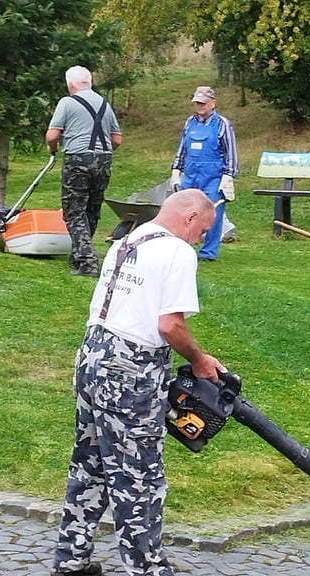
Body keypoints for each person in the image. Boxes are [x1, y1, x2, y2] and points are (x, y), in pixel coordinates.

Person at [51, 188, 226, 576]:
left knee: (90, 464)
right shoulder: (177, 252)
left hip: (92, 357)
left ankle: (71, 559)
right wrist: (198, 360)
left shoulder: (127, 240)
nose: (202, 239)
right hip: (132, 370)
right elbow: (170, 325)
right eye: (204, 231)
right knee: (140, 475)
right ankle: (147, 569)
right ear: (191, 218)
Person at [46, 65, 123, 277]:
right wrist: (102, 153)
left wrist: (52, 149)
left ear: (70, 84)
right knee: (92, 208)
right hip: (104, 159)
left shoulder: (67, 102)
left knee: (73, 210)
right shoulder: (105, 104)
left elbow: (52, 136)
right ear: (89, 82)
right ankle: (78, 254)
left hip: (77, 159)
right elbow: (117, 139)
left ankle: (88, 261)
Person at [169, 85, 239, 261]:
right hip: (191, 175)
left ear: (213, 103)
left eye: (203, 103)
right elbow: (182, 149)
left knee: (213, 213)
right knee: (184, 211)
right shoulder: (189, 122)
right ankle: (183, 246)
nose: (199, 106)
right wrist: (176, 170)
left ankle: (208, 253)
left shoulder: (222, 124)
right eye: (197, 103)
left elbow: (231, 152)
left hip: (214, 177)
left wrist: (228, 176)